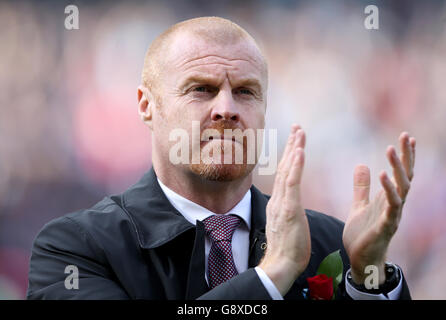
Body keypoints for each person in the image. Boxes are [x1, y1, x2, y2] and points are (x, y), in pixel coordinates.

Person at [26, 17, 415, 300]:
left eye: (246, 92)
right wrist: (272, 274)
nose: (226, 108)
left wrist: (368, 277)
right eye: (202, 89)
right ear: (147, 105)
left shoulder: (333, 243)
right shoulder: (75, 249)